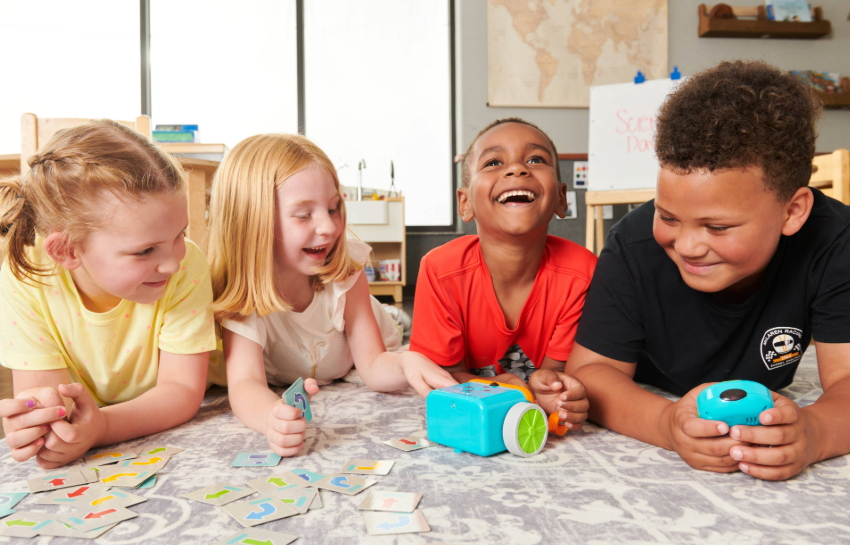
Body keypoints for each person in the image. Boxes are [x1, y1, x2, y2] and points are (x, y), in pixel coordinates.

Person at [566, 60, 850, 480]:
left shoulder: (835, 241)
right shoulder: (634, 244)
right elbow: (592, 373)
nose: (687, 246)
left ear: (793, 212)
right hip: (651, 400)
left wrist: (815, 431)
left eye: (717, 227)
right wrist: (667, 423)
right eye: (668, 216)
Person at [207, 133, 455, 457]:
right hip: (309, 361)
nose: (328, 227)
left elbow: (374, 364)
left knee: (393, 325)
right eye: (304, 214)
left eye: (333, 208)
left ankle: (392, 315)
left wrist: (405, 361)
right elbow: (245, 384)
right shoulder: (244, 289)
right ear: (252, 223)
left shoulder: (345, 272)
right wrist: (271, 418)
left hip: (364, 343)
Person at [0, 120, 223, 469]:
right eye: (145, 250)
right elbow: (50, 403)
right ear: (67, 251)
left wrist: (100, 427)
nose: (172, 264)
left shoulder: (186, 263)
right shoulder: (27, 275)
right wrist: (45, 426)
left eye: (179, 234)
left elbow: (181, 391)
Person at [409, 118, 595, 429]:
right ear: (465, 202)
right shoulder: (440, 270)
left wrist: (552, 394)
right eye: (494, 162)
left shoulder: (582, 272)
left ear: (561, 197)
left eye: (536, 159)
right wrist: (499, 389)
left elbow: (553, 378)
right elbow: (442, 379)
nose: (517, 170)